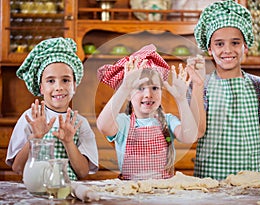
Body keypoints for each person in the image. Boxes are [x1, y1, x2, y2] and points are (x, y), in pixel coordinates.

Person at [188, 0, 260, 180]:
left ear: (245, 46)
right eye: (219, 44)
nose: (227, 50)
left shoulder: (259, 85)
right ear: (209, 49)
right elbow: (197, 132)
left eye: (235, 43)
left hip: (250, 179)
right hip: (211, 181)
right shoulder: (200, 85)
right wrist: (197, 87)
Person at [96, 44, 202, 180]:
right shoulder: (124, 123)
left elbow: (189, 137)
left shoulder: (168, 121)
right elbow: (103, 126)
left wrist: (181, 100)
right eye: (140, 88)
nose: (148, 94)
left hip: (163, 194)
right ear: (128, 94)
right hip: (131, 193)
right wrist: (124, 88)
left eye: (155, 88)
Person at [6, 37, 99, 180]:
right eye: (51, 81)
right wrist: (35, 137)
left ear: (74, 85)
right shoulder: (30, 119)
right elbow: (17, 168)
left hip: (67, 193)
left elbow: (82, 172)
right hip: (34, 195)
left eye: (66, 80)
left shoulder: (80, 123)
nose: (59, 87)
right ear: (41, 87)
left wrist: (68, 142)